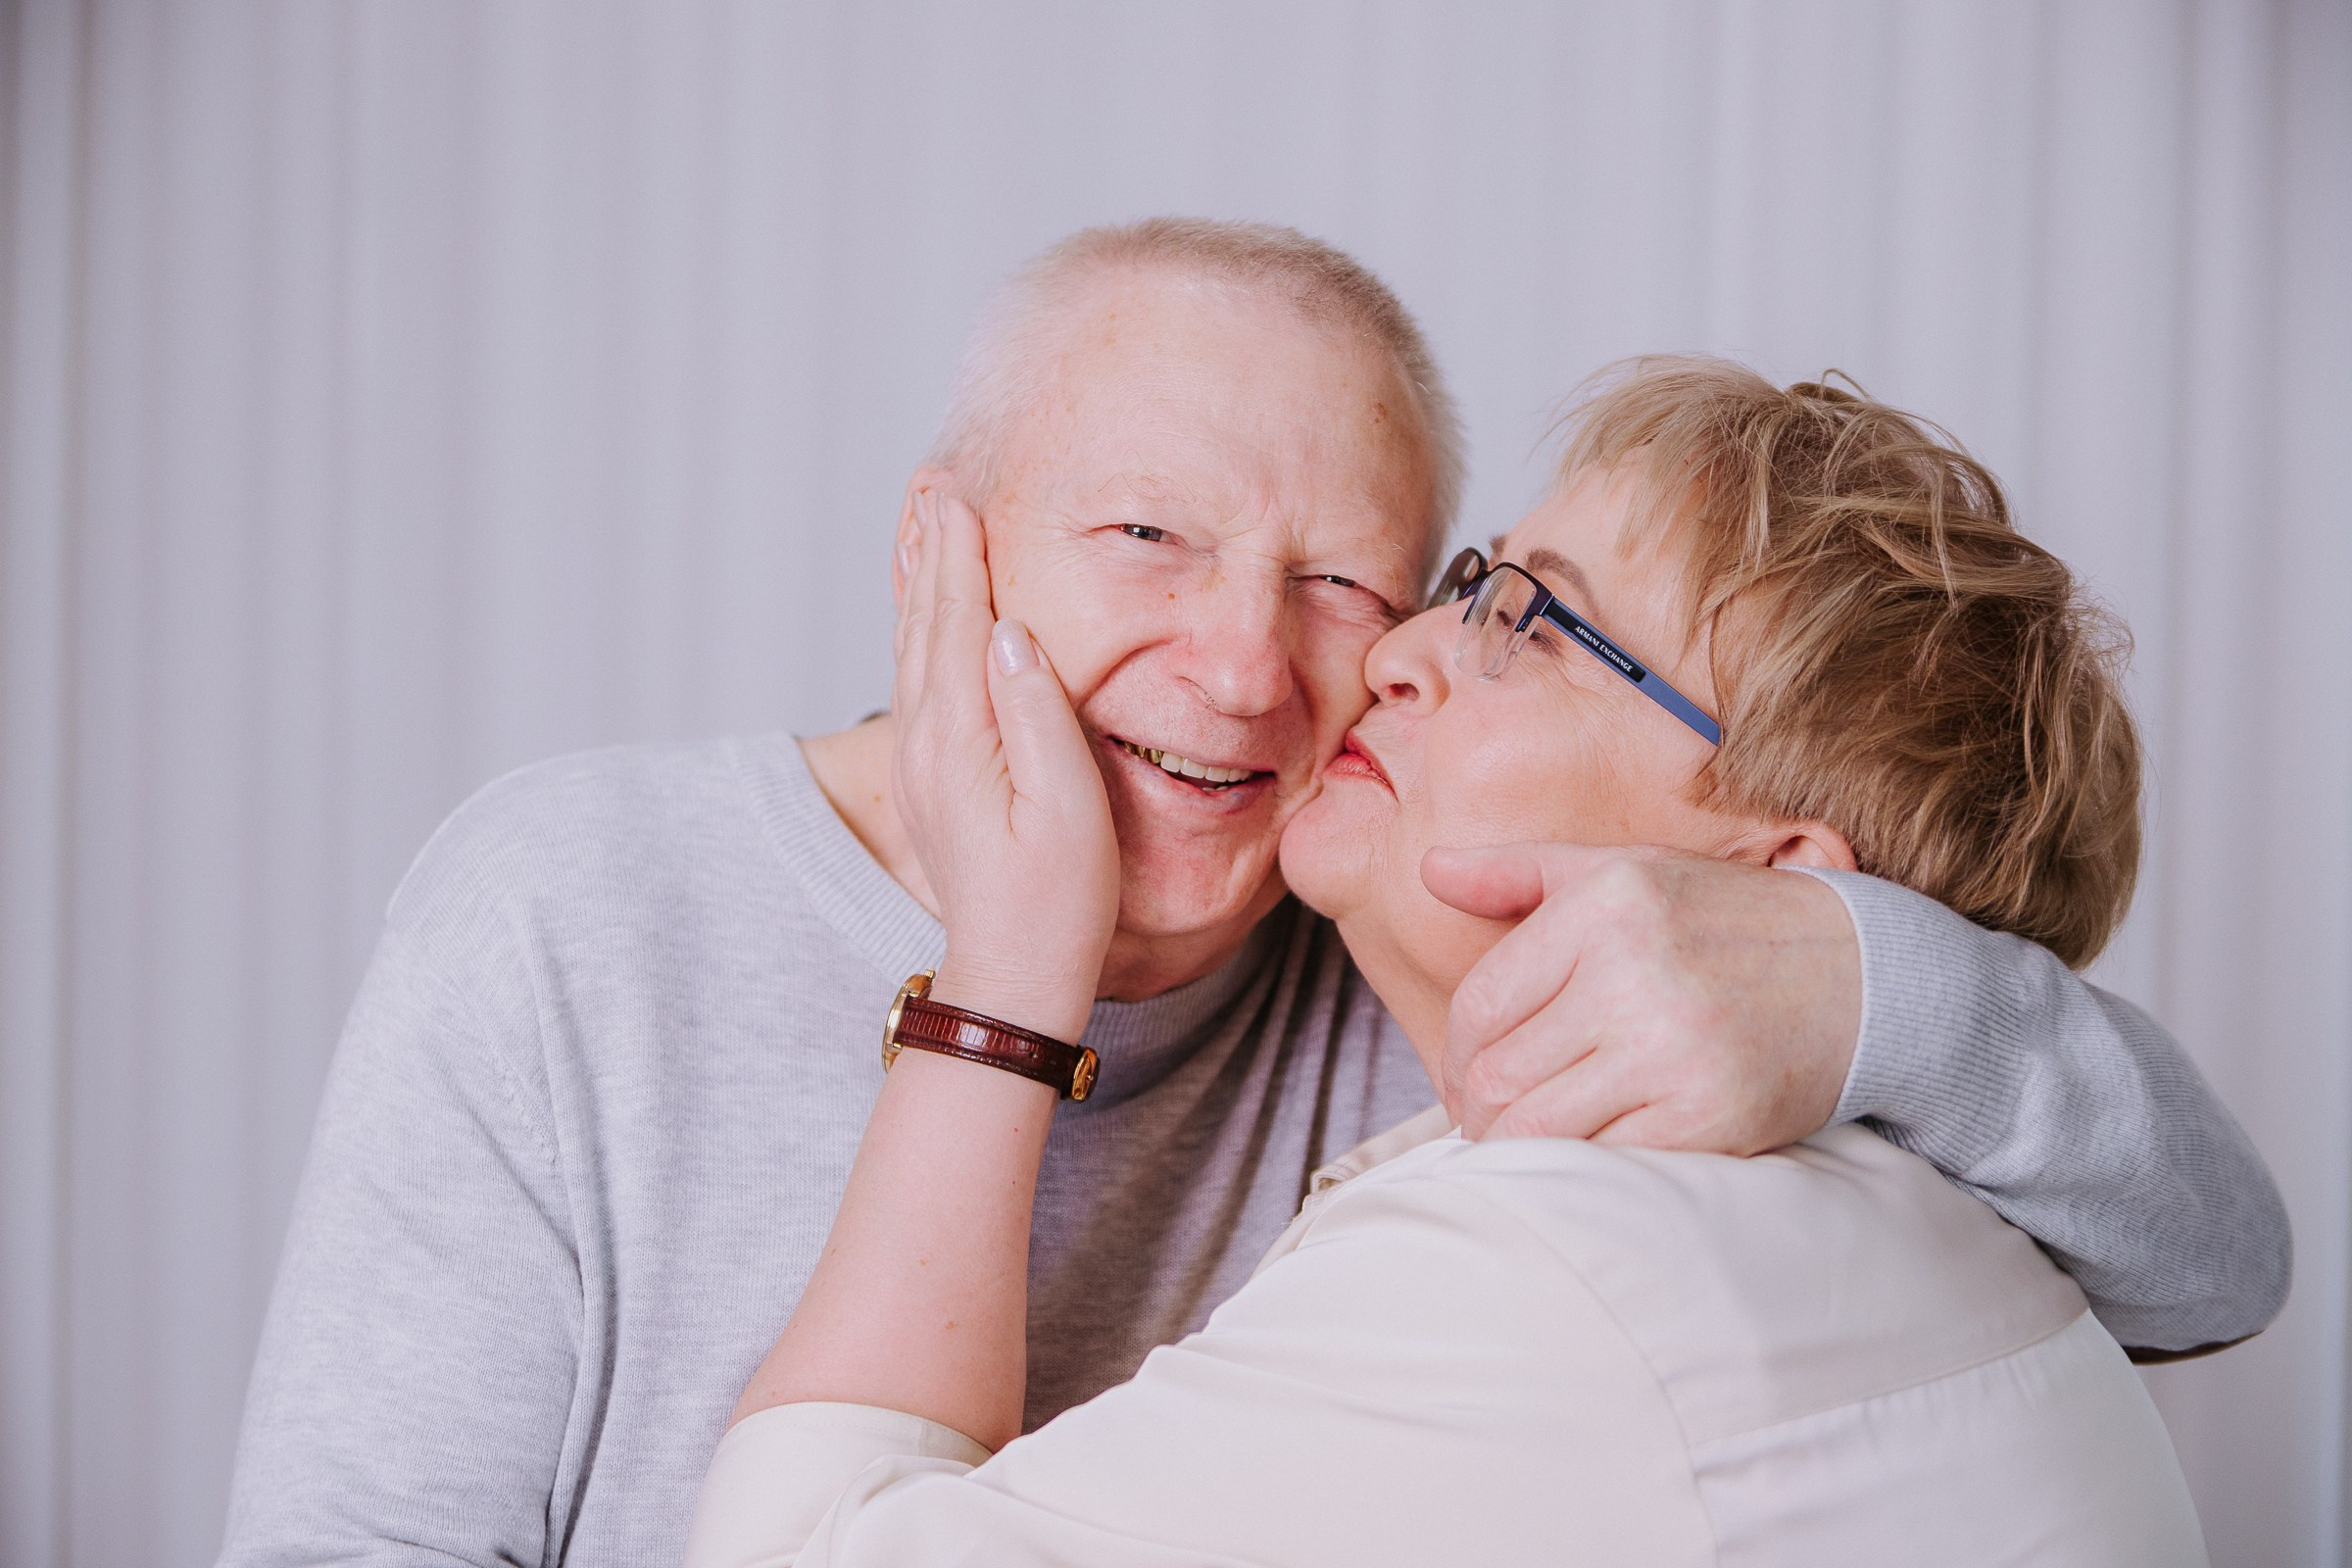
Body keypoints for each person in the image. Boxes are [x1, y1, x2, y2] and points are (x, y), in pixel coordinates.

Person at [217, 222, 2280, 1568]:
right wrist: (1004, 981)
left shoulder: (1442, 972)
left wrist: (1858, 983)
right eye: (1142, 534)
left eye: (1351, 579)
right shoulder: (569, 916)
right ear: (947, 550)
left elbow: (2213, 1250)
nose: (1250, 665)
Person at [689, 360, 2217, 1566]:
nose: (1398, 649)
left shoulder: (1552, 1283)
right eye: (1481, 580)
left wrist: (1009, 977)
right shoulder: (1930, 1224)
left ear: (1781, 889)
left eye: (1540, 631)